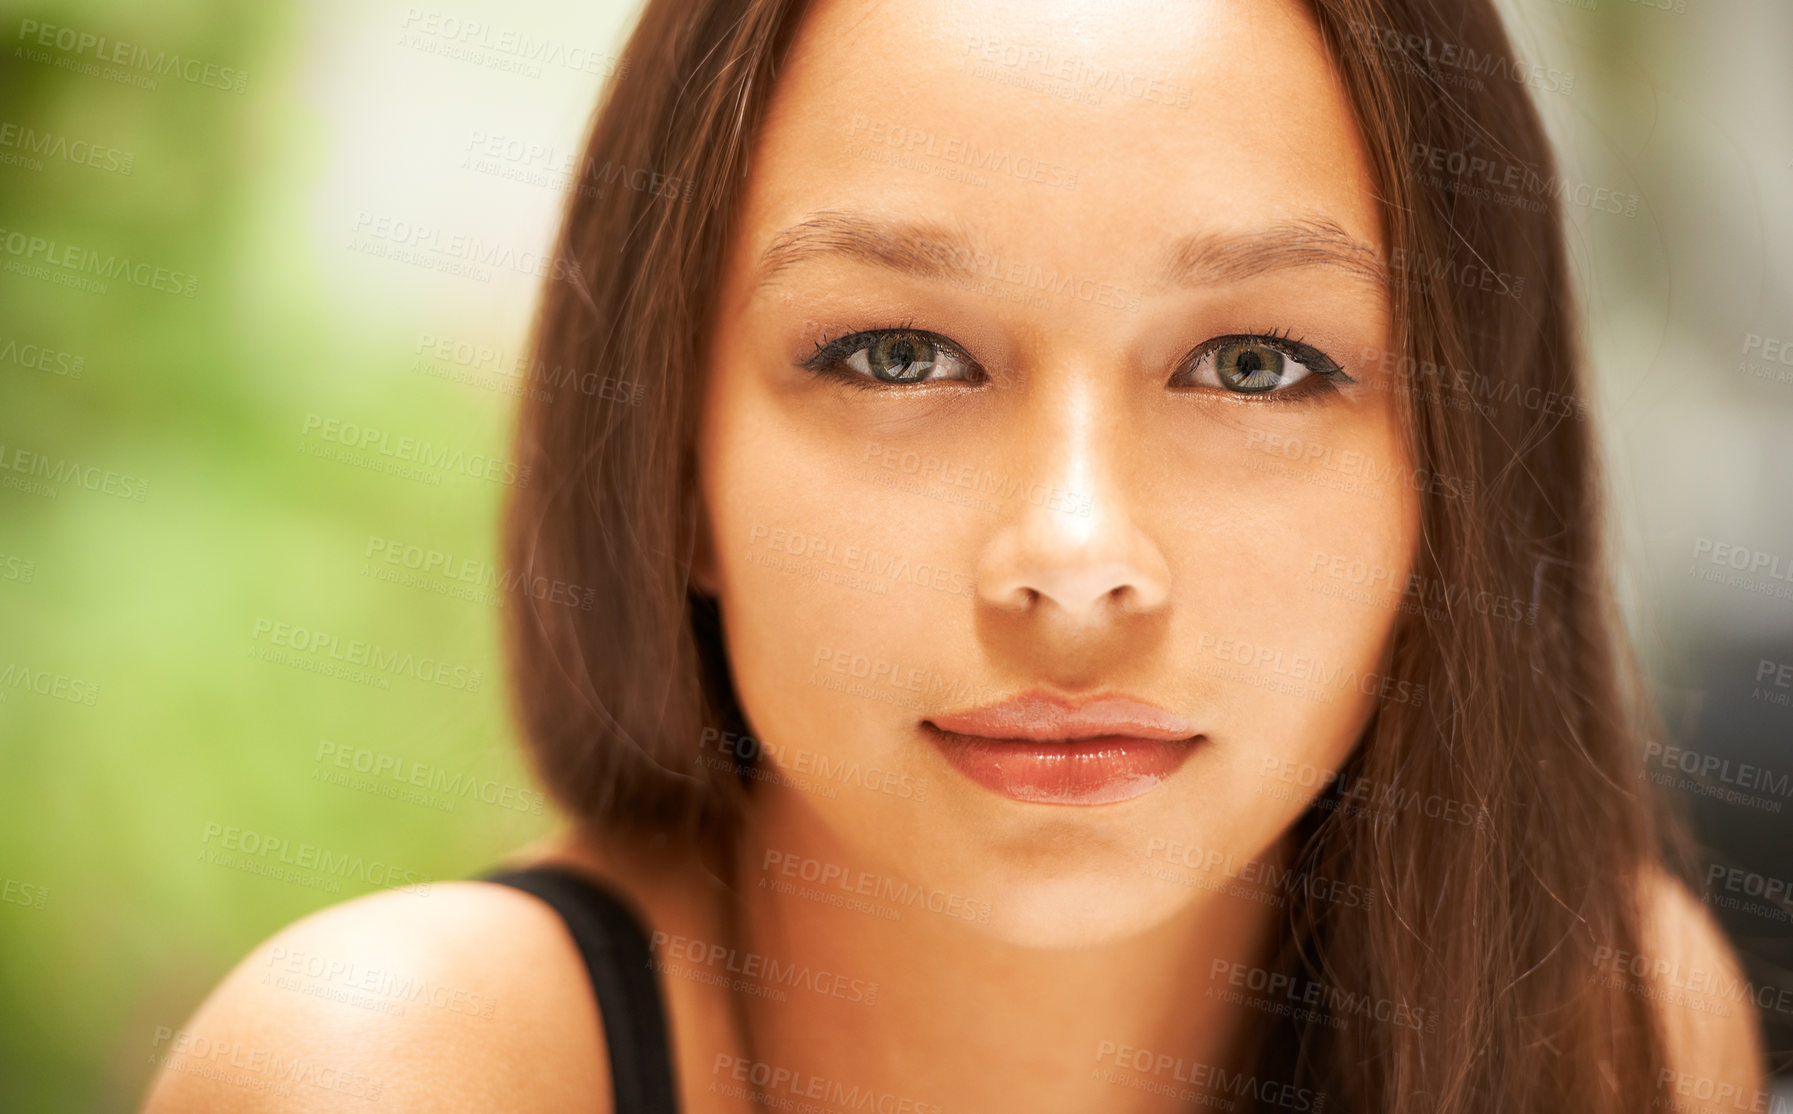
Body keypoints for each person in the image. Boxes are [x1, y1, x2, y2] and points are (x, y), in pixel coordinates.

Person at [141, 0, 1768, 1110]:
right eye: (898, 356)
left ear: (1454, 487)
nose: (1071, 559)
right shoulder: (398, 1071)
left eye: (1255, 364)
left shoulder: (1596, 1029)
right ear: (676, 462)